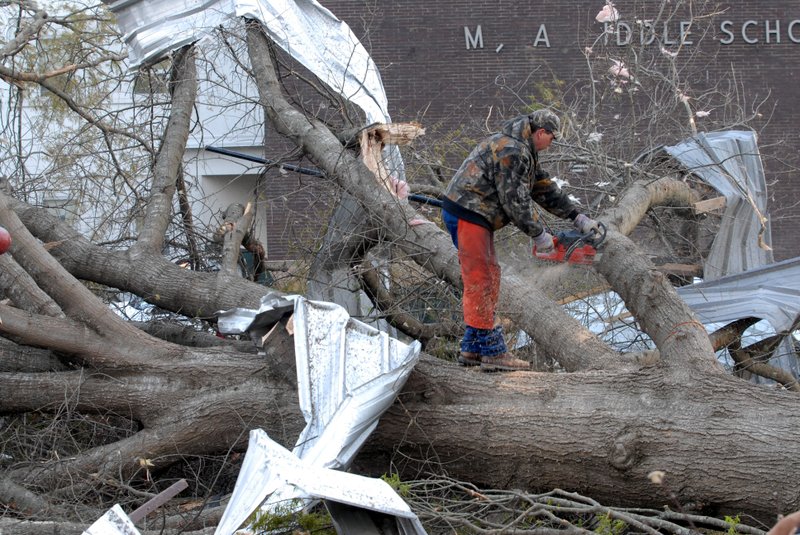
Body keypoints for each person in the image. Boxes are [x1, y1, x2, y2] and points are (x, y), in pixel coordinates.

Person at [441, 109, 599, 372]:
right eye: (552, 138)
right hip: (469, 212)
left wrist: (576, 216)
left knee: (489, 275)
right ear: (542, 132)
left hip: (475, 214)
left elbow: (543, 188)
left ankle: (472, 348)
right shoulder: (511, 151)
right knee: (481, 279)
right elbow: (515, 200)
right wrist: (539, 235)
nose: (552, 144)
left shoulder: (523, 149)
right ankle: (492, 351)